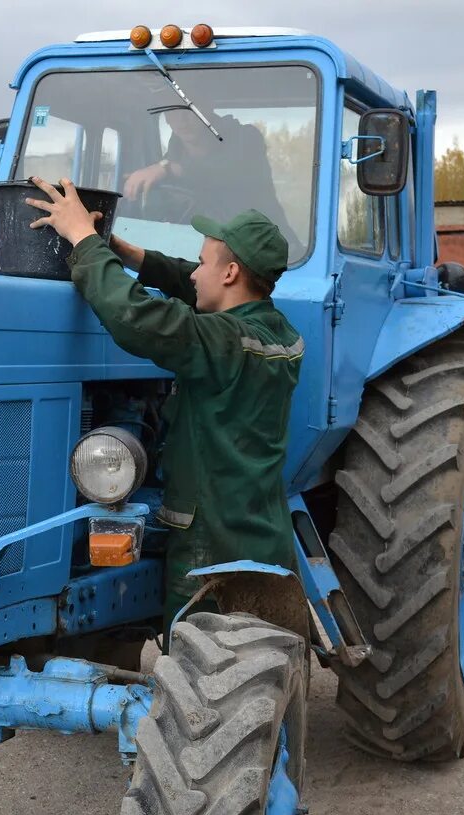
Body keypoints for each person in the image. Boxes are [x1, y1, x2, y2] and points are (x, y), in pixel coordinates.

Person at [24, 176, 302, 619]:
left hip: (211, 544)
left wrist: (83, 241)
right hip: (258, 525)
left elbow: (139, 317)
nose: (192, 272)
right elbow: (192, 286)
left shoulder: (222, 341)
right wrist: (124, 251)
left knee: (199, 650)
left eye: (202, 262)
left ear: (230, 273)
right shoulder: (279, 333)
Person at [121, 106, 295, 244]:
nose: (182, 119)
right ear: (166, 118)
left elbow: (228, 172)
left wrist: (167, 169)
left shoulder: (247, 138)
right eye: (172, 111)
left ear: (207, 107)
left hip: (264, 244)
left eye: (189, 108)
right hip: (208, 247)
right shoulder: (175, 151)